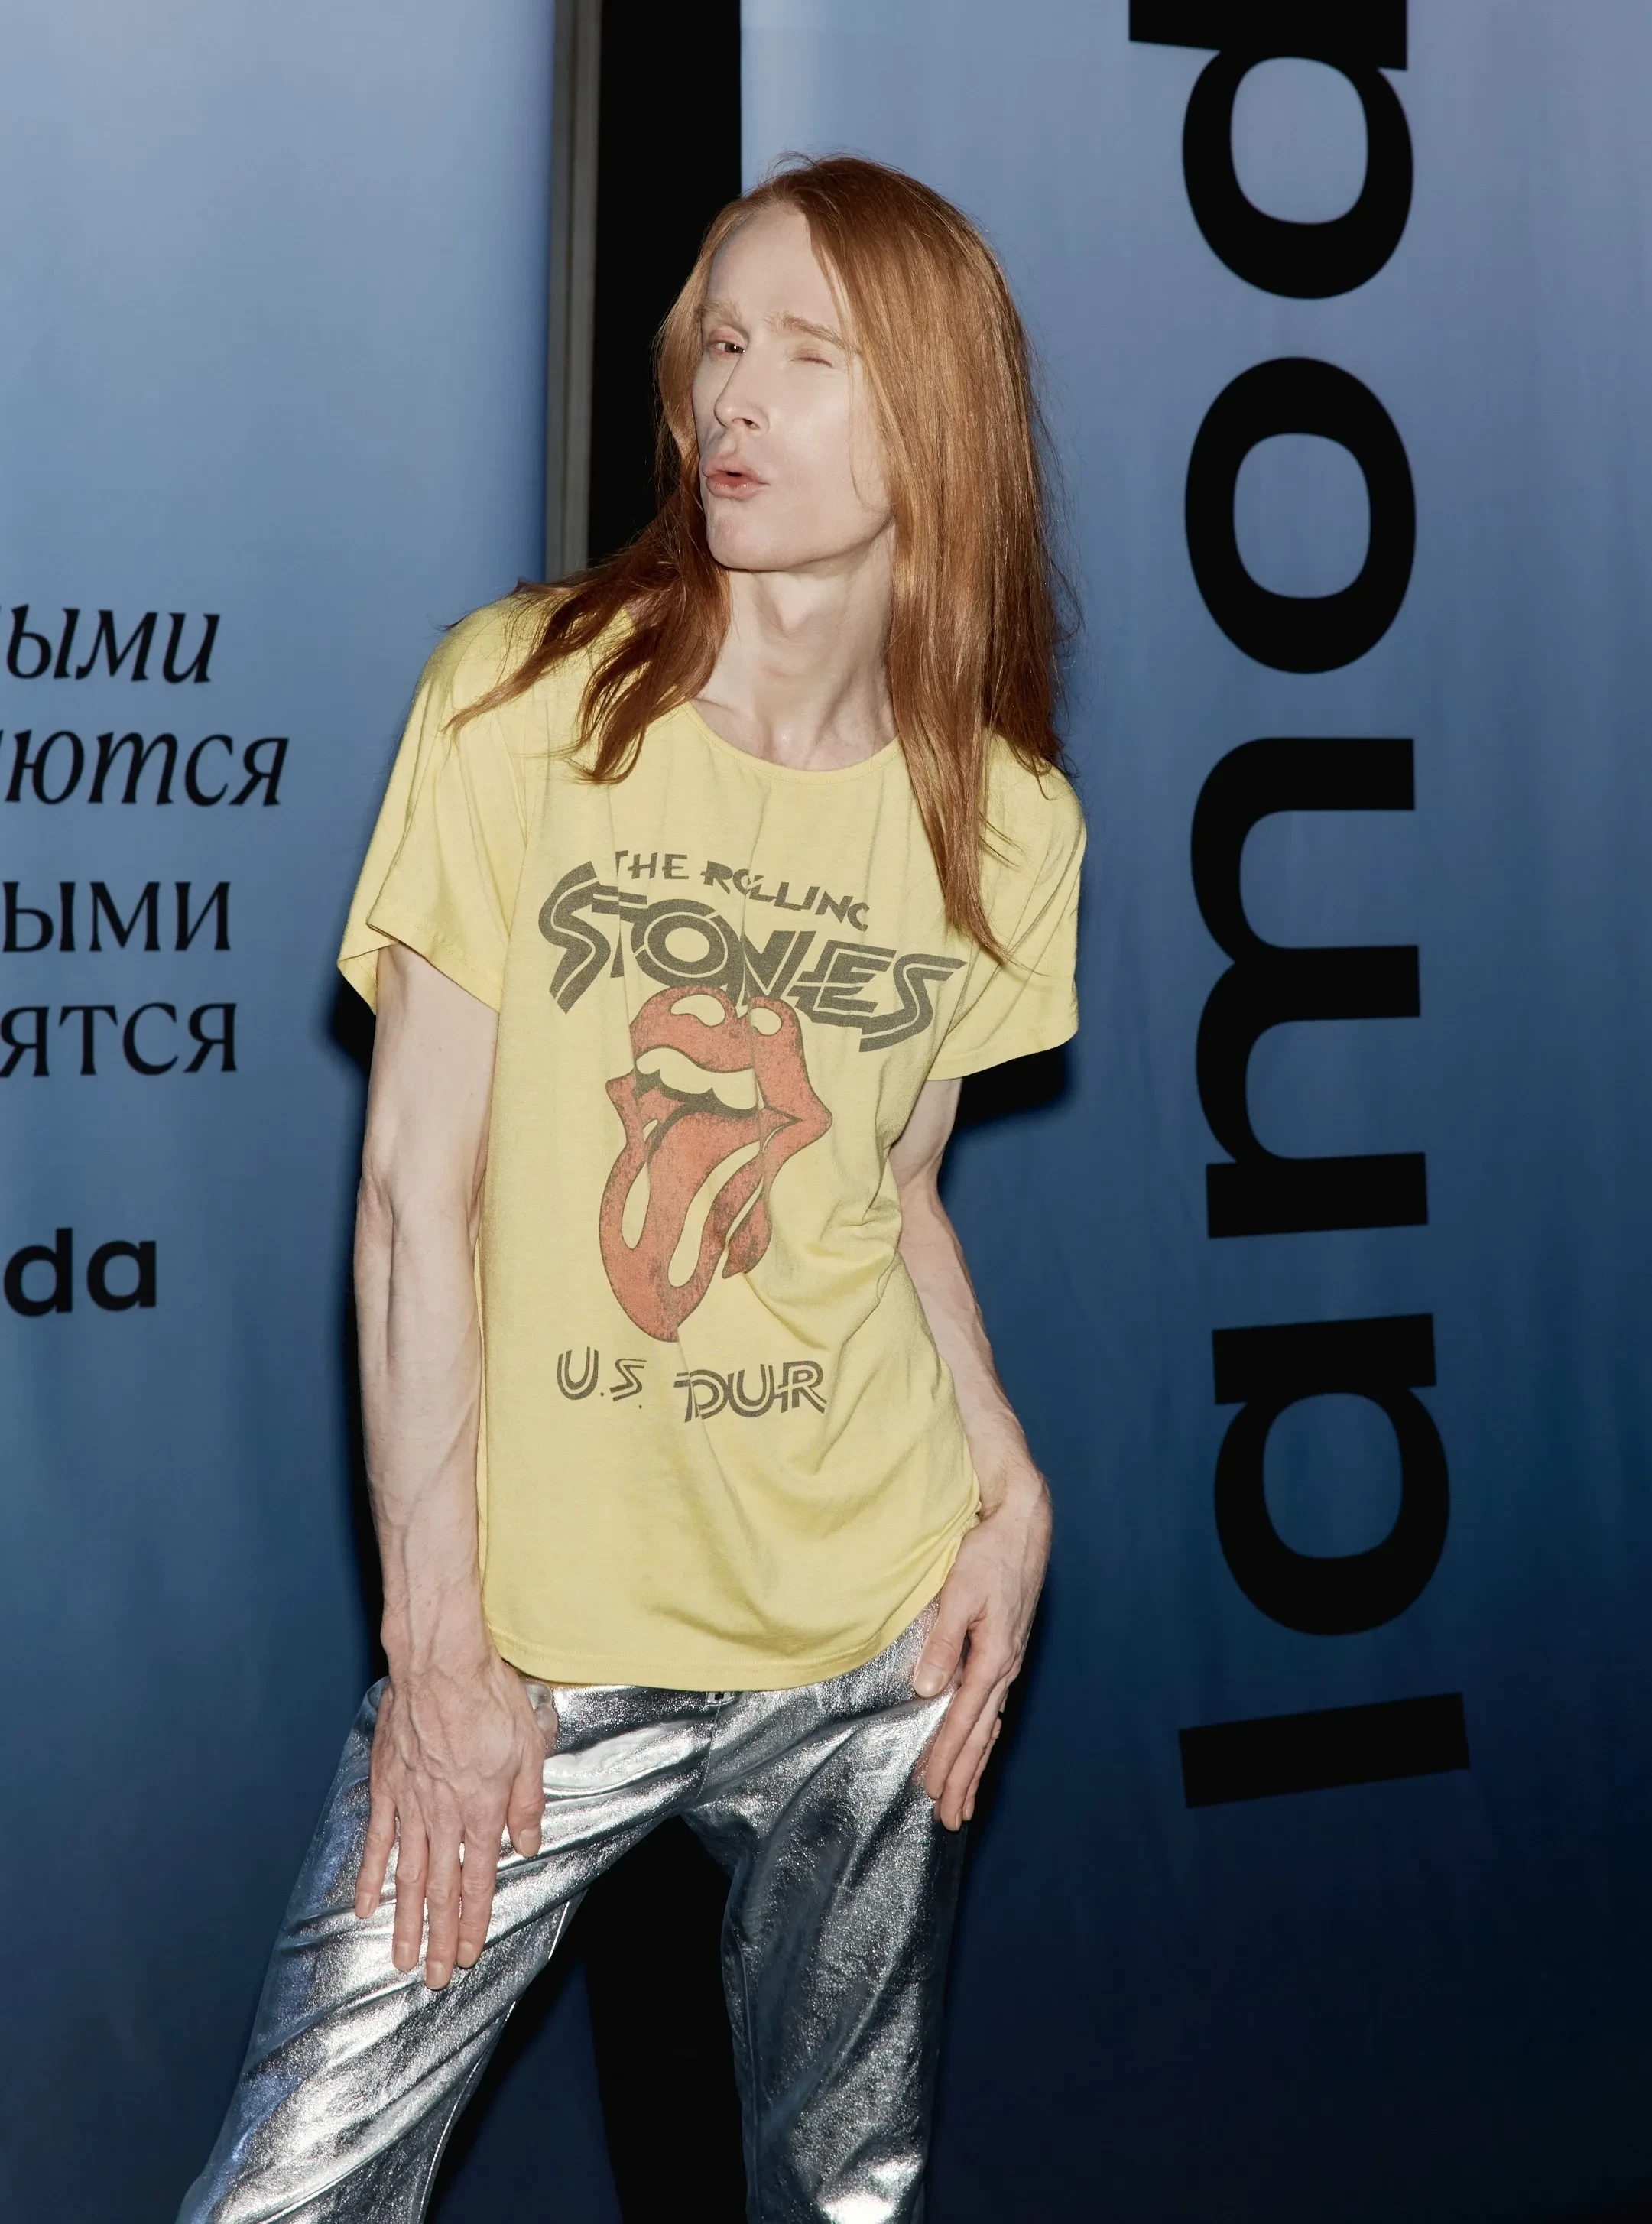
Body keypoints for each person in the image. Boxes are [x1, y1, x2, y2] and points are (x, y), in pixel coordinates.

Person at [180, 153, 1084, 2224]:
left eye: (809, 355)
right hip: (543, 1638)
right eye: (720, 347)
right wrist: (444, 1649)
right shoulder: (525, 703)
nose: (733, 399)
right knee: (285, 2197)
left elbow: (896, 1192)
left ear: (937, 414)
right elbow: (410, 1196)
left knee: (847, 2196)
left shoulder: (1010, 820)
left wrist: (1009, 1479)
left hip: (870, 1625)